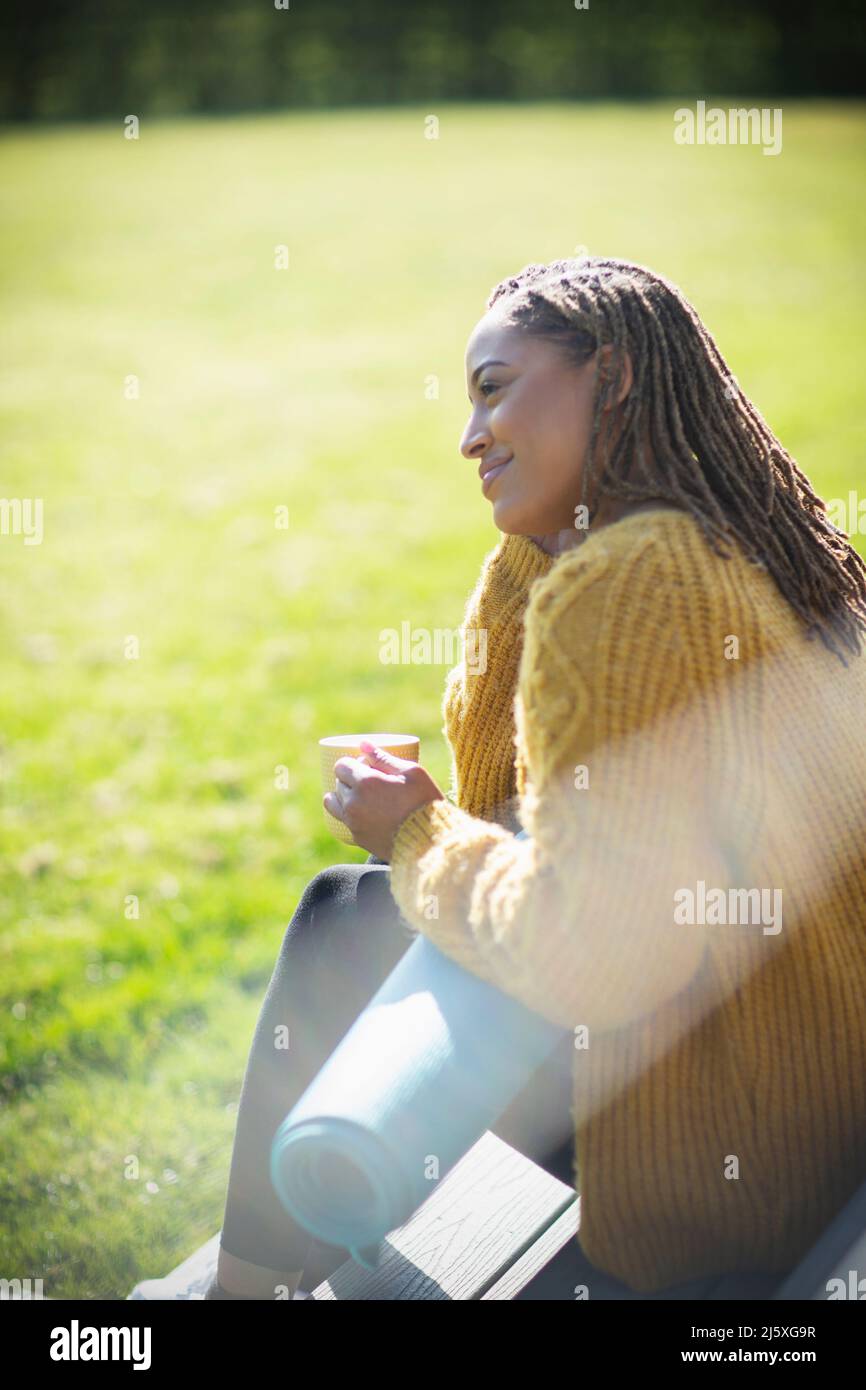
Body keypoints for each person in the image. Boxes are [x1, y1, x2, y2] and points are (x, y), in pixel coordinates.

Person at [133, 255, 866, 1300]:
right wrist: (529, 554)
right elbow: (510, 816)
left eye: (493, 387)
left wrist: (409, 835)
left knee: (348, 916)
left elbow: (587, 955)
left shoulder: (628, 581)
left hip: (724, 1169)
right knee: (378, 907)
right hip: (813, 1115)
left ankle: (234, 1297)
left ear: (608, 377)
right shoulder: (746, 546)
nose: (468, 436)